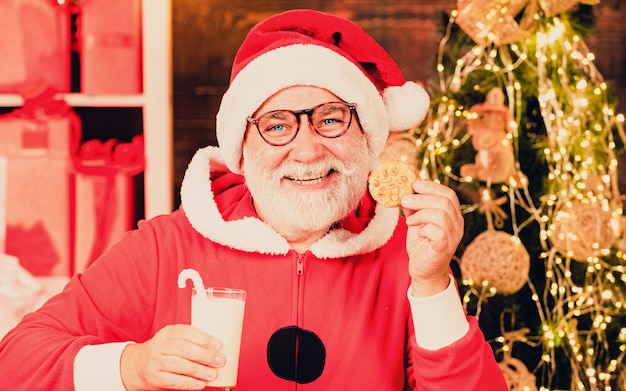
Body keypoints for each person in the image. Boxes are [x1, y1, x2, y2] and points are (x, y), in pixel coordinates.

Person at [0, 9, 507, 390]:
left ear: (368, 137)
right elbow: (16, 362)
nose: (307, 150)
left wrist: (433, 285)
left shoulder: (407, 251)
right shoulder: (166, 248)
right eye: (278, 125)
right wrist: (128, 366)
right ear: (243, 147)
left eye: (330, 118)